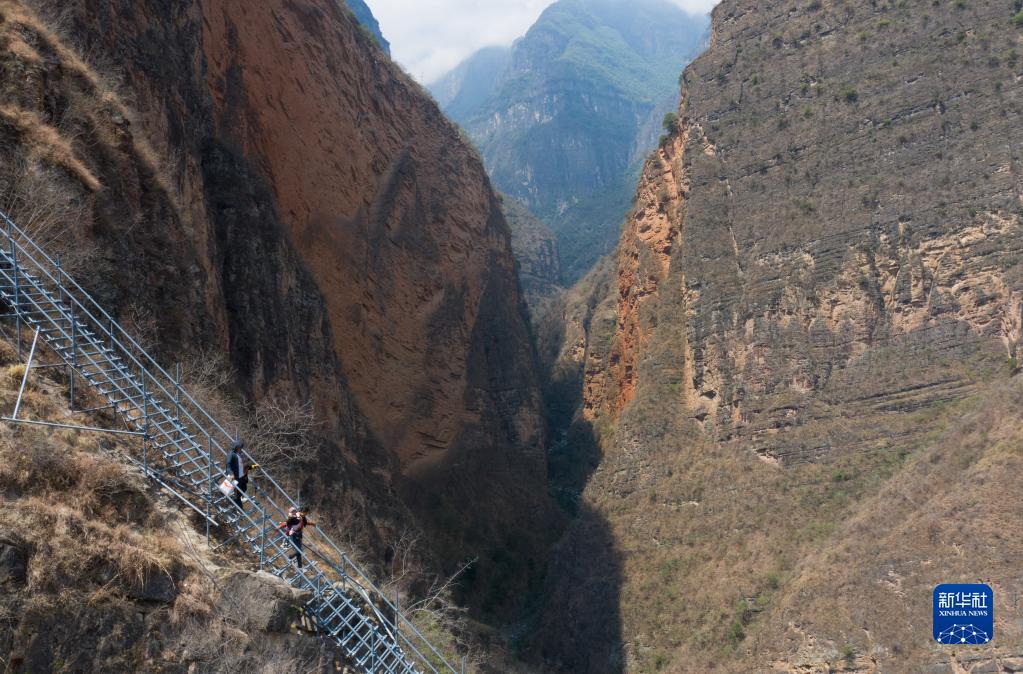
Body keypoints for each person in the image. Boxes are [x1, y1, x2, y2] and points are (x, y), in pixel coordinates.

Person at [225, 439, 249, 509]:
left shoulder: (239, 455)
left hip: (241, 477)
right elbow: (228, 465)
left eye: (241, 448)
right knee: (237, 494)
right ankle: (239, 509)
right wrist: (231, 473)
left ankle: (238, 500)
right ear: (235, 447)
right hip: (236, 477)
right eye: (239, 447)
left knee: (244, 488)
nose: (240, 449)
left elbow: (242, 466)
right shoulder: (231, 454)